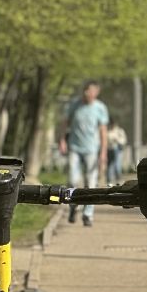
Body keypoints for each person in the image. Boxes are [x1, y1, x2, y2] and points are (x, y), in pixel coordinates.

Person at [59, 81, 108, 225]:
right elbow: (65, 123)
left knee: (90, 182)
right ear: (84, 91)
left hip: (92, 149)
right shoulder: (74, 105)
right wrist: (62, 140)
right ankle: (73, 206)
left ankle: (88, 214)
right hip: (74, 147)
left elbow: (103, 131)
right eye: (87, 91)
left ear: (96, 92)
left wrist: (103, 153)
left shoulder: (100, 108)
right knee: (72, 180)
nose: (89, 94)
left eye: (93, 92)